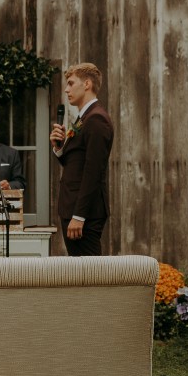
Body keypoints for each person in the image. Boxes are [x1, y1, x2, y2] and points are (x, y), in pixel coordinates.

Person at [48, 63, 114, 256]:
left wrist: (79, 216)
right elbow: (76, 164)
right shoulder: (83, 118)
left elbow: (93, 171)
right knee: (81, 272)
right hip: (74, 208)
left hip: (84, 212)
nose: (66, 89)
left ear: (86, 84)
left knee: (90, 274)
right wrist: (59, 148)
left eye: (70, 83)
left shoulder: (96, 119)